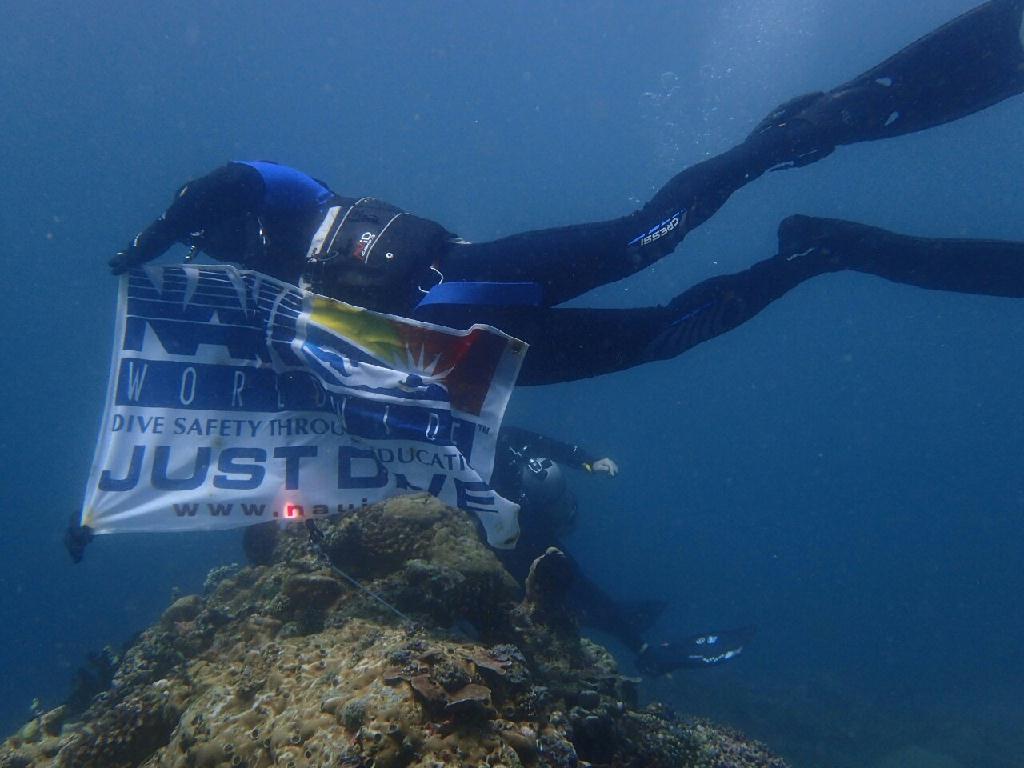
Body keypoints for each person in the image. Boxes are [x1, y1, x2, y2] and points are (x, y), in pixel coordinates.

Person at [107, 1, 1024, 384]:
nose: (207, 237)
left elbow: (235, 177)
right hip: (471, 367)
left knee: (641, 239)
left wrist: (151, 236)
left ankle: (785, 141)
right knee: (666, 335)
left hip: (474, 279)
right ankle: (818, 255)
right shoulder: (243, 297)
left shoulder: (280, 199)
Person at [492, 425, 754, 675]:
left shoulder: (493, 433)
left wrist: (587, 461)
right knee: (567, 587)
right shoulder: (488, 436)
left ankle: (628, 632)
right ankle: (640, 645)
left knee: (570, 584)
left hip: (519, 523)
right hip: (512, 531)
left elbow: (537, 443)